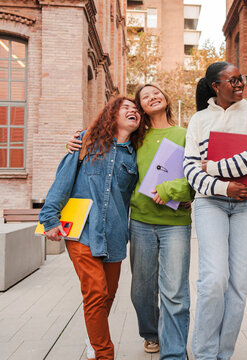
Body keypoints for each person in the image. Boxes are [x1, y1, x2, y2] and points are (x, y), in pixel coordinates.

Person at [67, 84, 194, 360]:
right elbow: (111, 159)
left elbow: (195, 177)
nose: (152, 97)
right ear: (142, 108)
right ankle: (151, 334)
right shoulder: (136, 139)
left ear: (166, 97)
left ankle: (173, 353)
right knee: (141, 291)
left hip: (175, 223)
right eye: (144, 97)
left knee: (174, 291)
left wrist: (180, 193)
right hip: (139, 222)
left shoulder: (186, 134)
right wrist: (79, 141)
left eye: (156, 92)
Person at [40, 96, 142, 360]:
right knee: (95, 291)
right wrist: (49, 219)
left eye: (136, 110)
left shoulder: (135, 156)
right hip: (83, 229)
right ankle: (103, 354)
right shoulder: (87, 142)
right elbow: (62, 180)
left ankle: (94, 338)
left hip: (116, 233)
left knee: (107, 295)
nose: (133, 111)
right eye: (126, 108)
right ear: (112, 113)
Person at [183, 61, 247, 360]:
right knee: (213, 279)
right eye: (231, 80)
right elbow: (190, 171)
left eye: (241, 78)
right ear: (215, 87)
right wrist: (225, 187)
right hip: (211, 204)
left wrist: (215, 167)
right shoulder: (198, 120)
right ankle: (205, 354)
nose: (239, 84)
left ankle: (224, 354)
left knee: (238, 285)